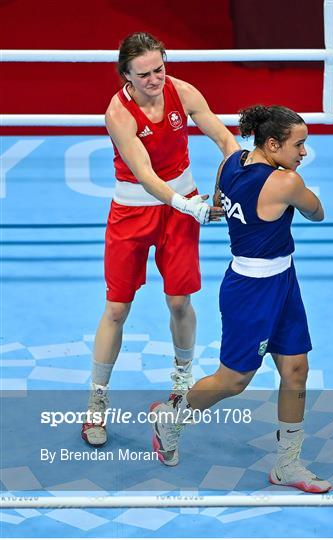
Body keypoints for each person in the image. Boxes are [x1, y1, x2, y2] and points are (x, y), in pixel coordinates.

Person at [151, 105, 332, 493]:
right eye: (299, 145)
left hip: (283, 280)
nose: (304, 153)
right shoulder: (286, 183)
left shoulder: (230, 162)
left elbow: (219, 203)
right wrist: (297, 184)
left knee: (296, 368)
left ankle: (287, 464)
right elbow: (318, 213)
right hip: (251, 292)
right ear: (272, 143)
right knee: (233, 381)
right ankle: (171, 416)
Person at [81, 32, 240, 447]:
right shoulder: (118, 113)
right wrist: (188, 206)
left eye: (159, 69)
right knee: (116, 309)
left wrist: (230, 175)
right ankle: (96, 405)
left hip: (181, 207)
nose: (155, 79)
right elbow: (146, 174)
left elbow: (225, 139)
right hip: (134, 211)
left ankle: (181, 386)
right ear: (126, 76)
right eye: (144, 74)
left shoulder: (183, 92)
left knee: (179, 302)